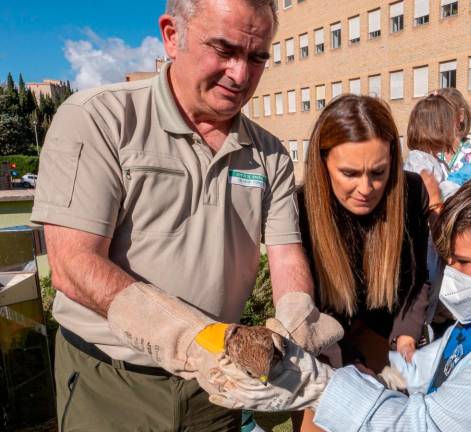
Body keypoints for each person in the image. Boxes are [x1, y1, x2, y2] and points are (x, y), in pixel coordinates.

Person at [30, 0, 340, 430]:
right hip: (114, 384)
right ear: (172, 35)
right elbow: (72, 265)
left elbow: (286, 255)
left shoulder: (269, 154)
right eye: (224, 50)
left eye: (256, 57)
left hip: (215, 389)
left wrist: (295, 329)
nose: (241, 74)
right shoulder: (99, 119)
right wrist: (197, 342)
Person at [208, 165, 471, 431]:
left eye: (463, 261)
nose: (452, 272)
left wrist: (311, 383)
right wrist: (362, 356)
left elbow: (419, 425)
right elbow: (431, 371)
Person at [293, 94, 432, 430]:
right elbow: (304, 311)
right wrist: (348, 365)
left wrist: (406, 337)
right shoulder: (300, 209)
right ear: (323, 163)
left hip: (387, 339)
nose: (366, 188)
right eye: (350, 173)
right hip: (324, 350)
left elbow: (418, 278)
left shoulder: (411, 192)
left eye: (379, 172)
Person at [403, 94, 462, 200]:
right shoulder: (418, 161)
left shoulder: (433, 159)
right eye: (452, 123)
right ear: (438, 127)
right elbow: (429, 195)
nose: (457, 128)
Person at [434, 88, 471, 185]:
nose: (438, 121)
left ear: (460, 115)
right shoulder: (430, 151)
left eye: (445, 115)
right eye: (435, 115)